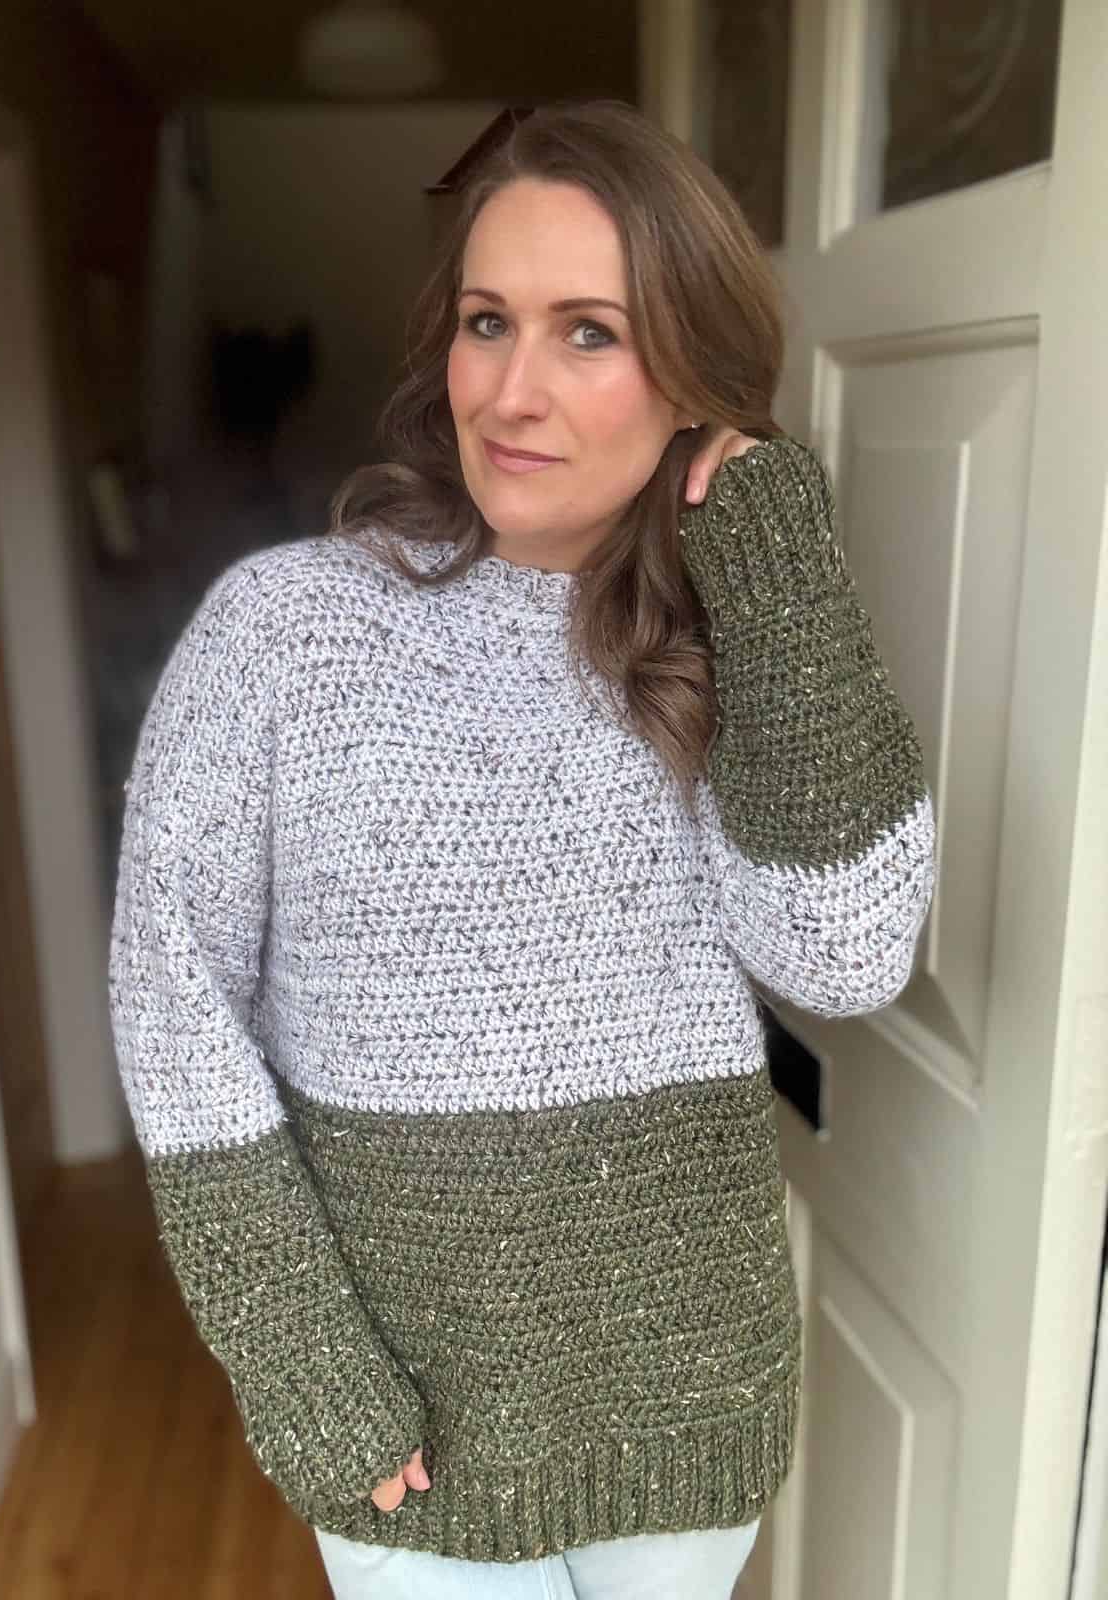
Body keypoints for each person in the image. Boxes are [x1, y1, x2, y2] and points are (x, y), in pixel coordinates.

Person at [108, 100, 935, 1599]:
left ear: (694, 375)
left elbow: (851, 955)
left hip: (684, 1391)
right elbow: (173, 1004)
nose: (512, 390)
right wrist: (303, 1364)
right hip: (401, 1414)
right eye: (489, 321)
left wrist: (779, 563)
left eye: (591, 334)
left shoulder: (733, 637)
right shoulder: (288, 633)